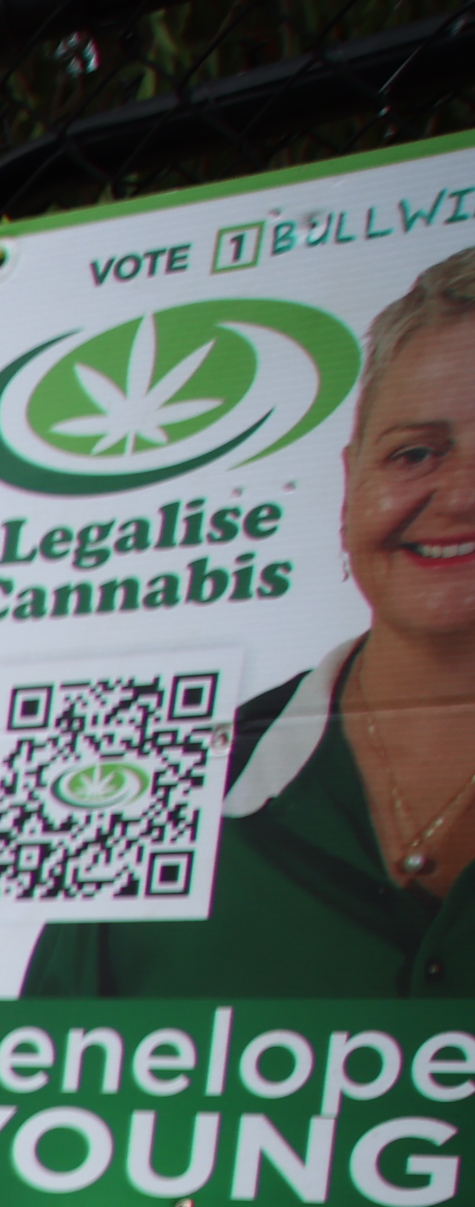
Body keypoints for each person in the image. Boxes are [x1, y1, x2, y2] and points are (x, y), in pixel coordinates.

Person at [34, 250, 475, 998]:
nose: (459, 496)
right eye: (415, 454)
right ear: (349, 484)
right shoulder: (141, 777)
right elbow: (24, 1087)